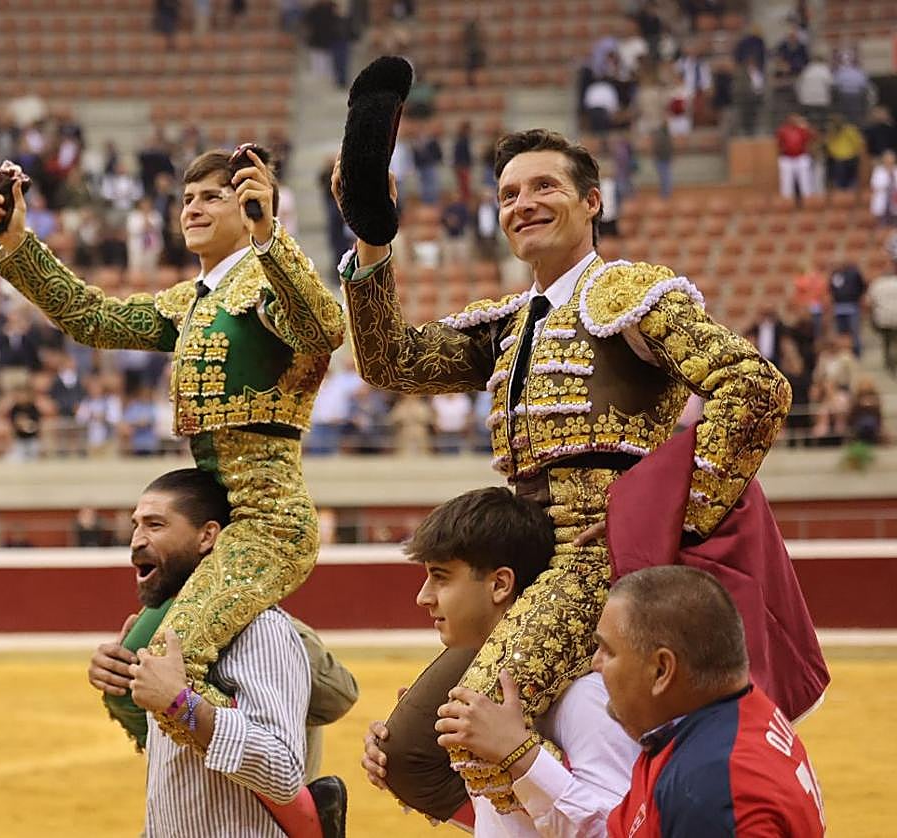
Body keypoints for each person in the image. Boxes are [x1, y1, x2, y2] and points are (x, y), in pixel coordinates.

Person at [335, 127, 790, 810]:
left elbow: (755, 387)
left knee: (473, 732)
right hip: (522, 560)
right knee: (406, 755)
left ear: (592, 202)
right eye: (508, 194)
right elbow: (390, 361)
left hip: (596, 561)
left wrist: (672, 524)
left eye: (544, 186)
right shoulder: (510, 323)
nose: (523, 203)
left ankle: (609, 817)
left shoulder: (629, 295)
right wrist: (373, 240)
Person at [0, 147, 345, 742]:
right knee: (126, 675)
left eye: (212, 196)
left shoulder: (266, 283)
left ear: (250, 205)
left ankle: (293, 778)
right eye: (187, 198)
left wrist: (269, 236)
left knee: (168, 669)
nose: (193, 208)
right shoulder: (190, 300)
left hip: (268, 523)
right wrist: (18, 243)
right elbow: (93, 319)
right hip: (209, 522)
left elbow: (324, 327)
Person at [86, 469, 353, 837]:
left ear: (208, 536)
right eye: (136, 525)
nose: (136, 540)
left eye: (155, 525)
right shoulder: (171, 630)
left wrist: (182, 705)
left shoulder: (262, 628)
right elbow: (176, 765)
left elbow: (282, 773)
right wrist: (120, 680)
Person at [361, 487, 638, 836]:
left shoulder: (586, 697)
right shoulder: (480, 690)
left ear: (500, 584)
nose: (423, 597)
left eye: (441, 577)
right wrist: (406, 753)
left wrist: (519, 754)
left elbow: (620, 831)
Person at [596, 567, 826, 836]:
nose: (596, 663)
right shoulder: (733, 714)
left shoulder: (709, 792)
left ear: (661, 670)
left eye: (608, 651)